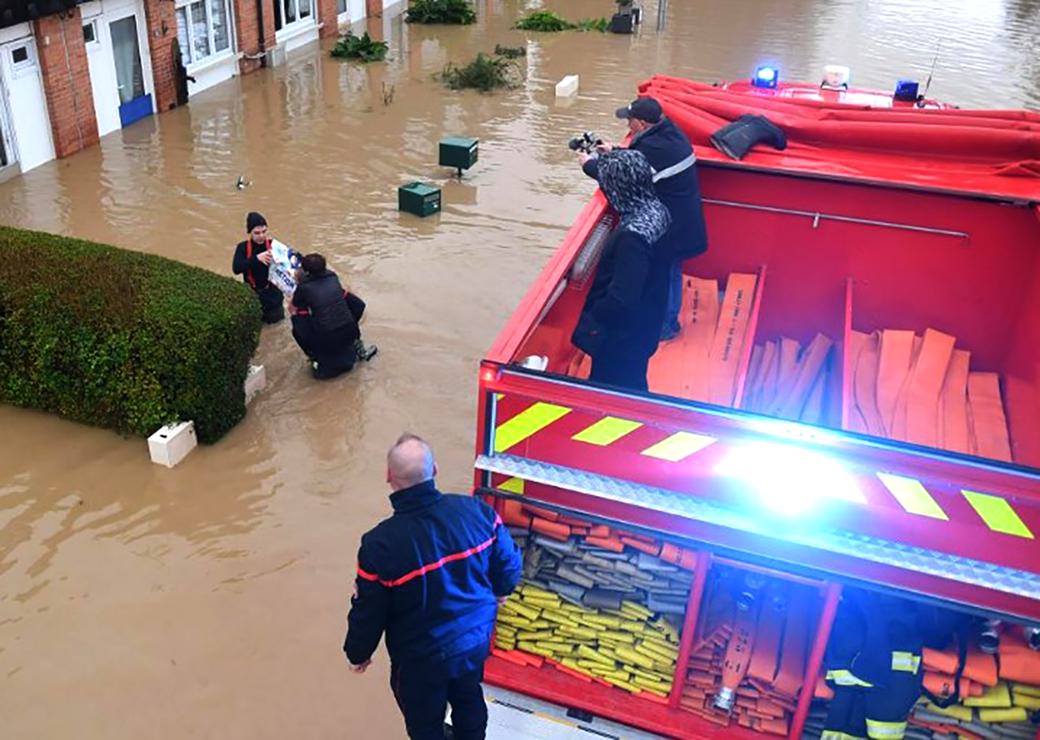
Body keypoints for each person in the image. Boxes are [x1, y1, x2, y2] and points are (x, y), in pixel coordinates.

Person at [343, 434, 522, 740]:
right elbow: (509, 563)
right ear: (435, 469)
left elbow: (370, 611)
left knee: (424, 722)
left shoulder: (380, 546)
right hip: (474, 640)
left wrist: (358, 653)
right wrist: (501, 590)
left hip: (421, 659)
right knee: (468, 696)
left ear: (389, 478)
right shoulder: (477, 513)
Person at [578, 95, 708, 340]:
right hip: (682, 218)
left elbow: (627, 177)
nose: (628, 126)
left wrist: (589, 165)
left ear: (643, 125)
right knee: (671, 269)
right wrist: (616, 150)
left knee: (666, 272)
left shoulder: (654, 148)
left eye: (630, 121)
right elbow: (641, 160)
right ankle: (666, 322)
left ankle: (665, 327)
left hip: (671, 225)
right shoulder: (670, 134)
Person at [571, 149, 672, 391]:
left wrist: (595, 316)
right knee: (634, 382)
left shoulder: (632, 239)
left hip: (621, 338)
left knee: (610, 389)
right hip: (647, 323)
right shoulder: (656, 210)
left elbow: (622, 297)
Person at [290, 253, 377, 379]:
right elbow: (359, 306)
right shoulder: (333, 278)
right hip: (350, 332)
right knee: (349, 311)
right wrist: (350, 323)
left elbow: (295, 307)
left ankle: (314, 356)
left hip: (327, 340)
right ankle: (359, 347)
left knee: (297, 324)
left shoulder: (303, 288)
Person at [232, 212, 285, 324]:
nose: (261, 236)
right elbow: (236, 268)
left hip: (273, 295)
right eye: (257, 233)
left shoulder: (274, 245)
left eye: (264, 231)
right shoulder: (242, 248)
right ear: (250, 232)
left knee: (277, 325)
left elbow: (291, 263)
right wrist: (256, 259)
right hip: (253, 294)